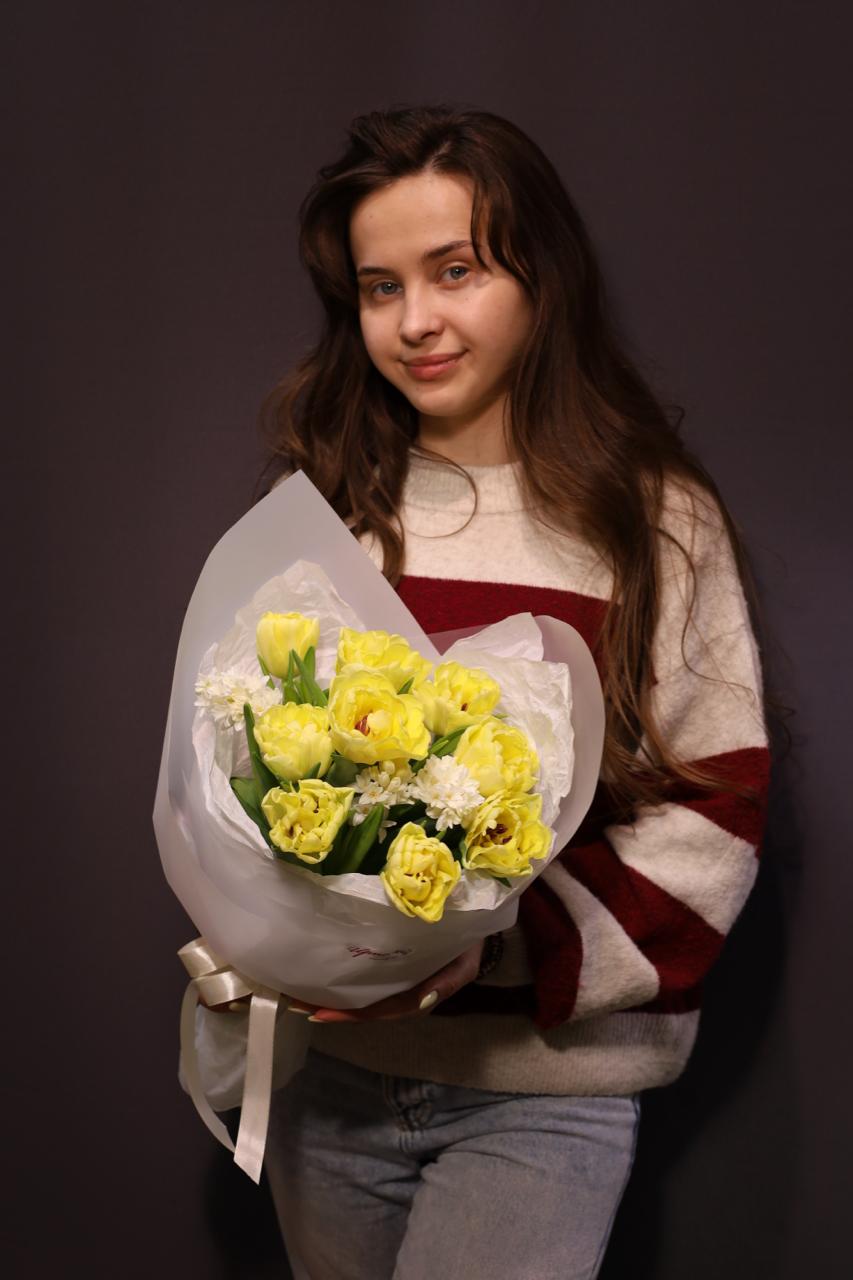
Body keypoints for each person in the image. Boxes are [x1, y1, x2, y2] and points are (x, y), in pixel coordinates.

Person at [199, 104, 771, 1279]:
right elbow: (232, 771)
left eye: (454, 270)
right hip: (330, 1080)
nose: (415, 319)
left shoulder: (654, 521)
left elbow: (718, 809)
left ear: (540, 277)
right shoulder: (328, 515)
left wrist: (498, 946)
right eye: (380, 286)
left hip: (544, 1091)